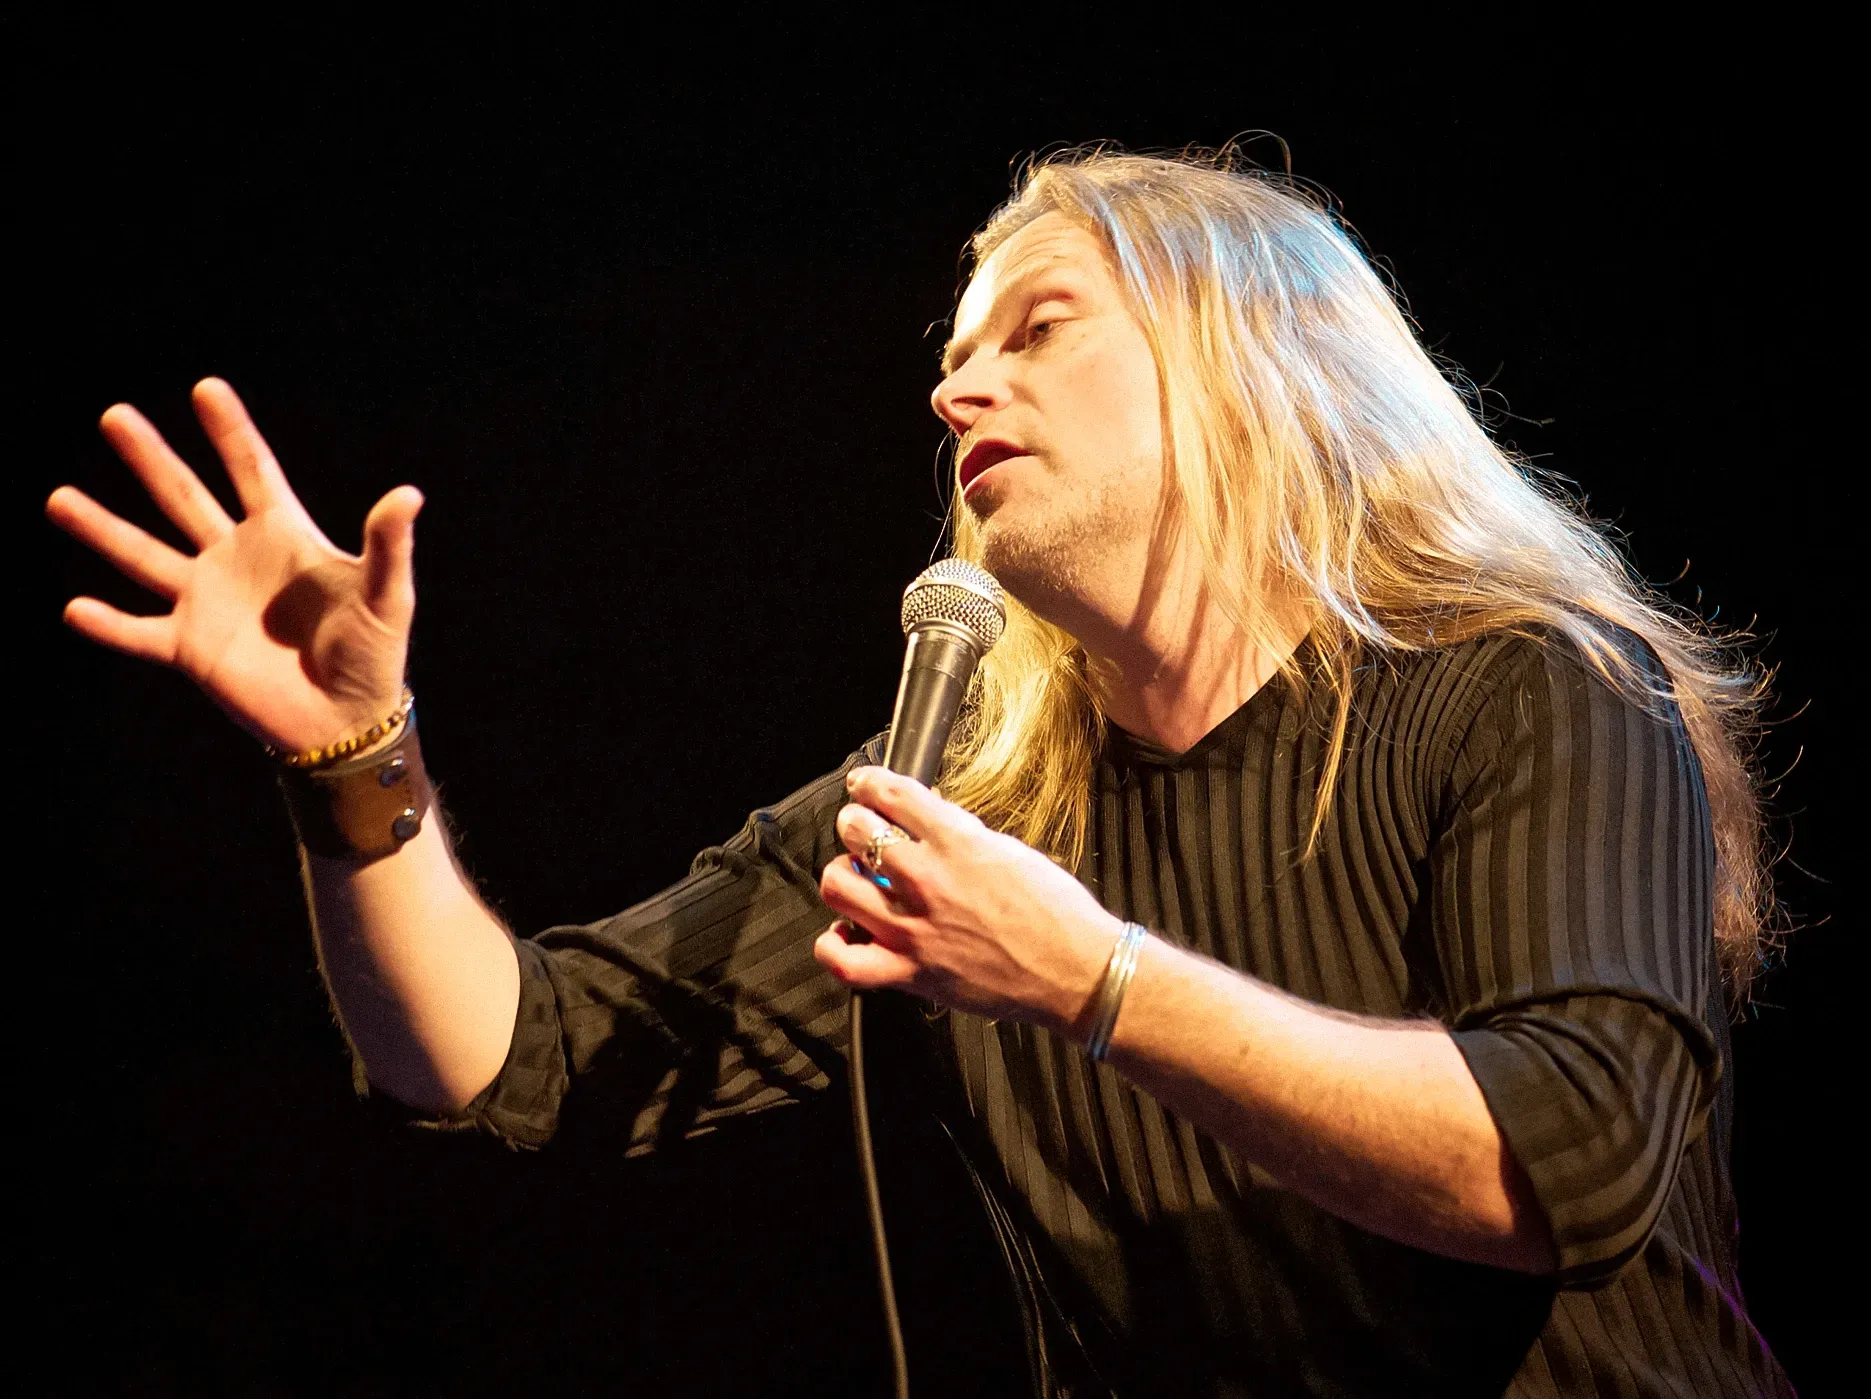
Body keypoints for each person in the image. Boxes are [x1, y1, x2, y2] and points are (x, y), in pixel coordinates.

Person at [46, 150, 1792, 1397]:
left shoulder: (1533, 688)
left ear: (1260, 374)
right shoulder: (968, 792)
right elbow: (512, 1052)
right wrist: (360, 765)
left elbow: (1565, 1159)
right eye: (955, 354)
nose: (959, 382)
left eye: (1036, 326)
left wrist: (1094, 980)